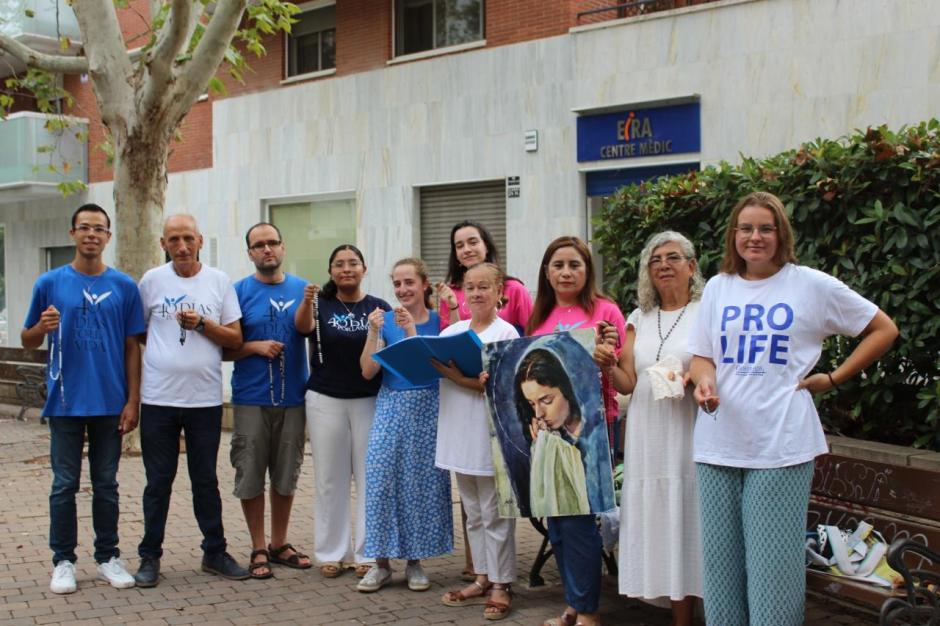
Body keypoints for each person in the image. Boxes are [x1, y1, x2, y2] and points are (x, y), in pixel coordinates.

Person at [688, 191, 898, 626]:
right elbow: (703, 355)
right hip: (717, 444)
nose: (755, 237)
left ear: (781, 234)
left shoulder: (810, 285)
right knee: (720, 572)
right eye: (745, 228)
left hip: (780, 445)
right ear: (733, 236)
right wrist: (704, 381)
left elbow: (883, 329)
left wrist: (833, 377)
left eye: (766, 228)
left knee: (773, 572)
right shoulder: (718, 287)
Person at [22, 203, 145, 594]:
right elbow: (27, 341)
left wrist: (133, 400)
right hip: (65, 401)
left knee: (106, 484)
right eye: (84, 227)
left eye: (99, 229)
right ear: (72, 233)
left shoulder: (124, 286)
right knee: (64, 485)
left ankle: (108, 556)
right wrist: (40, 326)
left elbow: (132, 347)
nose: (92, 234)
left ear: (108, 237)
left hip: (110, 402)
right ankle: (63, 561)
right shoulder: (50, 283)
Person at [594, 231, 705, 626]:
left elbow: (719, 365)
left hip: (687, 425)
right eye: (655, 260)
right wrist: (607, 364)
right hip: (646, 429)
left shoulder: (706, 310)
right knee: (660, 515)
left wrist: (694, 376)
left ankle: (687, 616)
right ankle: (672, 606)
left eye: (673, 257)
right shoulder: (637, 318)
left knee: (687, 512)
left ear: (691, 266)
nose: (663, 265)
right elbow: (628, 382)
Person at [134, 214, 247, 587]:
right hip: (158, 399)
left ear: (200, 240)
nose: (182, 246)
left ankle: (214, 552)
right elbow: (138, 337)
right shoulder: (151, 281)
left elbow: (234, 339)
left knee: (205, 480)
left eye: (188, 239)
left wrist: (201, 324)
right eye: (174, 239)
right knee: (158, 482)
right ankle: (149, 556)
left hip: (204, 400)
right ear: (163, 243)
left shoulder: (218, 282)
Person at [528, 235, 625, 626]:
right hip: (550, 434)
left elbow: (620, 376)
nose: (566, 272)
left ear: (588, 270)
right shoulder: (539, 317)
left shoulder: (606, 311)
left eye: (574, 265)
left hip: (595, 430)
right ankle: (573, 604)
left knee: (582, 524)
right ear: (547, 273)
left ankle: (587, 612)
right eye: (558, 265)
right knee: (558, 522)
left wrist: (607, 358)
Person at [356, 258, 453, 593]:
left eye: (409, 282)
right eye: (397, 284)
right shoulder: (385, 322)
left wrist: (412, 331)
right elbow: (367, 371)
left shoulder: (441, 322)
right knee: (381, 478)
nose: (402, 290)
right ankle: (380, 563)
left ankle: (414, 561)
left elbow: (430, 370)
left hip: (427, 407)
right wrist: (372, 332)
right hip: (391, 404)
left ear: (424, 284)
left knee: (420, 484)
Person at [295, 244, 391, 579]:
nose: (346, 269)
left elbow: (388, 349)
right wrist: (307, 301)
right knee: (329, 479)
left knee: (369, 478)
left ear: (364, 268)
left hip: (369, 399)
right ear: (331, 270)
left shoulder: (378, 307)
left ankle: (367, 553)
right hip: (325, 398)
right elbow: (302, 328)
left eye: (353, 263)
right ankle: (331, 552)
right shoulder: (319, 303)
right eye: (339, 264)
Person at [225, 222, 311, 579]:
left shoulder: (304, 289)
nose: (266, 250)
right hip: (251, 398)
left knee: (285, 473)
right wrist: (254, 347)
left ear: (282, 246)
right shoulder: (237, 292)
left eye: (272, 242)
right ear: (249, 253)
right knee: (250, 474)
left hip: (294, 397)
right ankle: (258, 546)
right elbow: (223, 348)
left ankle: (280, 543)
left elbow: (312, 335)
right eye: (258, 245)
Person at [435, 262, 518, 621]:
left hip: (491, 436)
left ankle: (502, 583)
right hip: (458, 433)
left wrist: (463, 379)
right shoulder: (452, 331)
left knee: (496, 513)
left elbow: (504, 389)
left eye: (484, 287)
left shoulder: (507, 332)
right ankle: (482, 576)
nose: (476, 293)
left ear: (500, 291)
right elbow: (439, 372)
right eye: (470, 287)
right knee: (472, 512)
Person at [514, 349, 590, 517]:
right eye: (532, 404)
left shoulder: (592, 436)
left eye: (546, 401)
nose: (538, 413)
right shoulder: (546, 435)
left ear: (567, 389)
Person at [438, 220, 533, 335]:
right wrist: (454, 307)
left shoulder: (514, 289)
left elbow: (532, 334)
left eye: (473, 242)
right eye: (460, 246)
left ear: (486, 246)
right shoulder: (449, 294)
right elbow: (448, 340)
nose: (467, 250)